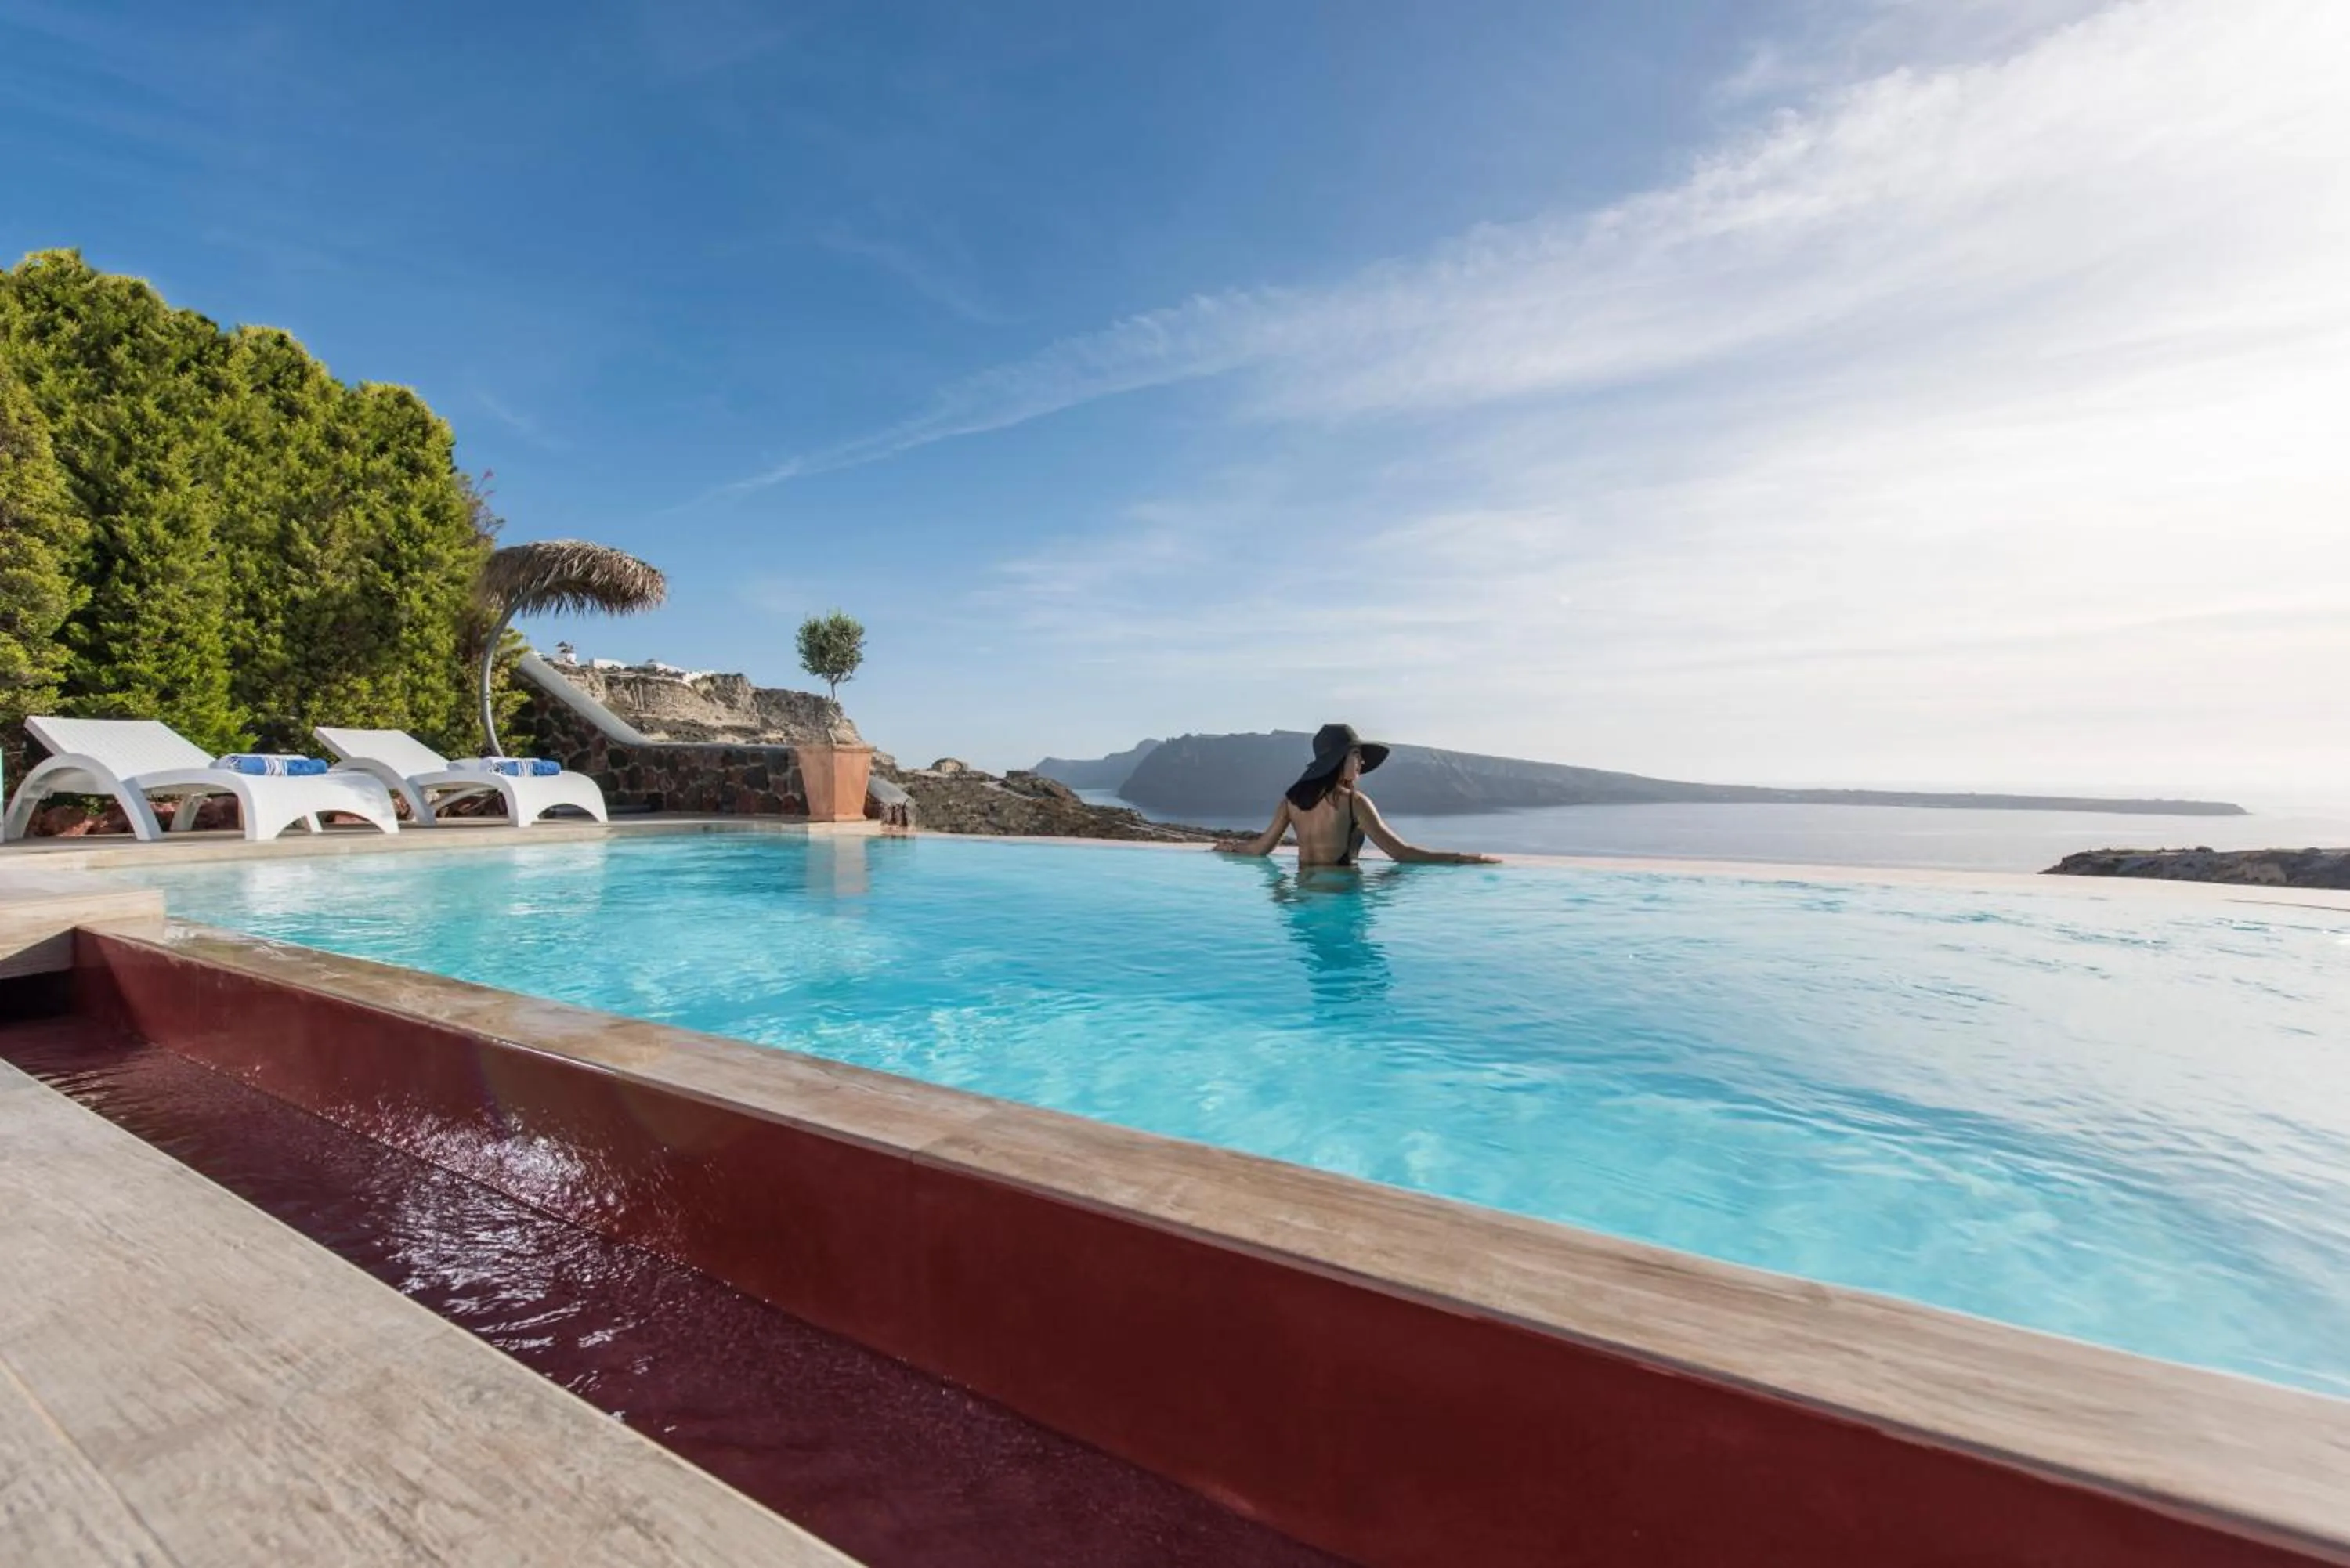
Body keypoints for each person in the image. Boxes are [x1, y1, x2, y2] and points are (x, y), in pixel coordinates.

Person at [1213, 724, 1498, 868]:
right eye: (1357, 756)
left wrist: (1232, 848)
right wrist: (1460, 857)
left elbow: (1260, 849)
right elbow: (1401, 853)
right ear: (1339, 760)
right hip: (1343, 900)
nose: (1361, 763)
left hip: (1302, 900)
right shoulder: (1354, 803)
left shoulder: (1291, 802)